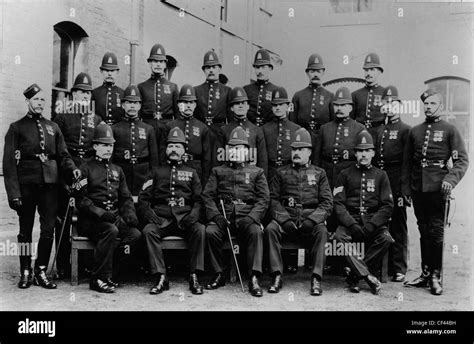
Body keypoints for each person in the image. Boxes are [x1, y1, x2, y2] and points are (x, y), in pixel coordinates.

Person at [3, 84, 79, 289]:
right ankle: (25, 271)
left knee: (48, 230)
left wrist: (72, 170)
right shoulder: (16, 128)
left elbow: (63, 155)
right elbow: (9, 164)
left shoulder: (53, 127)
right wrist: (13, 193)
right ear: (27, 102)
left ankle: (41, 270)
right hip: (27, 185)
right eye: (36, 100)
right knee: (25, 231)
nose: (40, 103)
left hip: (50, 186)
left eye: (43, 100)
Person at [402, 89, 468, 295]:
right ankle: (425, 272)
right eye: (426, 104)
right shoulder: (415, 131)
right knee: (423, 230)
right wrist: (406, 189)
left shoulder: (450, 130)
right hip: (418, 188)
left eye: (432, 104)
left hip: (439, 188)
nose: (428, 107)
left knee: (436, 232)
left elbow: (462, 160)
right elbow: (407, 164)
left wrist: (450, 179)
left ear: (441, 106)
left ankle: (436, 276)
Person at [137, 127, 206, 295]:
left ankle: (194, 275)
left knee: (200, 230)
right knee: (148, 231)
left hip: (185, 219)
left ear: (184, 150)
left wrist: (194, 215)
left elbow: (199, 199)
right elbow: (143, 198)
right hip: (162, 219)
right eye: (171, 146)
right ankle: (161, 276)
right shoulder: (156, 171)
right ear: (166, 149)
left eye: (178, 146)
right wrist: (149, 215)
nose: (174, 149)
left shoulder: (191, 173)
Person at [264, 128, 333, 295]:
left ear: (309, 151)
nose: (296, 153)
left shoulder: (319, 173)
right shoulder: (281, 172)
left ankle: (316, 277)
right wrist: (284, 220)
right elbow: (272, 200)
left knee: (322, 231)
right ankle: (276, 275)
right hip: (287, 219)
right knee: (270, 229)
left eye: (301, 149)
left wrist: (313, 219)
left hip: (310, 220)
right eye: (294, 149)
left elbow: (327, 203)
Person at [203, 126, 270, 297]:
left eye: (239, 147)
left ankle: (254, 276)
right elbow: (207, 196)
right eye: (231, 147)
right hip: (224, 216)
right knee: (210, 232)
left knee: (256, 232)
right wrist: (216, 216)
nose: (235, 151)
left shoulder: (257, 172)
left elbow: (263, 199)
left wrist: (252, 217)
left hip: (246, 216)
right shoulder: (218, 171)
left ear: (247, 151)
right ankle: (219, 273)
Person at [75, 123, 141, 293]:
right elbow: (81, 200)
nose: (108, 149)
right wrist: (100, 213)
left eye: (110, 145)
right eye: (104, 145)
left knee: (135, 235)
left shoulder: (117, 170)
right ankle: (97, 278)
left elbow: (125, 198)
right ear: (95, 146)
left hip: (114, 217)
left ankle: (111, 274)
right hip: (91, 220)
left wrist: (130, 215)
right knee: (110, 231)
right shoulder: (85, 169)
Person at [53, 72, 102, 278]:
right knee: (62, 219)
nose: (84, 96)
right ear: (73, 94)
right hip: (66, 171)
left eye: (87, 92)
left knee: (85, 216)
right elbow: (58, 149)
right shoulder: (62, 116)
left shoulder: (96, 118)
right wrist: (66, 173)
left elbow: (97, 149)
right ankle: (63, 264)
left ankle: (84, 264)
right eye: (80, 92)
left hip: (87, 172)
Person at [333, 130, 394, 295]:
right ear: (355, 153)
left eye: (367, 150)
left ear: (373, 153)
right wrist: (352, 224)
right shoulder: (344, 174)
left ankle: (354, 276)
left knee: (386, 239)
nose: (364, 154)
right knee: (339, 237)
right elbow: (338, 203)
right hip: (350, 221)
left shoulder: (381, 175)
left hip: (372, 222)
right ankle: (367, 276)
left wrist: (372, 224)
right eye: (360, 151)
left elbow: (387, 206)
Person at [374, 86, 411, 282]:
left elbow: (407, 162)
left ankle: (399, 267)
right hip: (381, 178)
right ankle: (382, 264)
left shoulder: (406, 130)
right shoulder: (378, 129)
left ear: (399, 105)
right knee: (380, 220)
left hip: (397, 179)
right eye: (385, 103)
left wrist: (404, 189)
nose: (388, 107)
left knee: (398, 222)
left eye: (392, 103)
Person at [112, 84, 159, 196]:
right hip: (122, 172)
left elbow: (154, 158)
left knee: (142, 202)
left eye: (135, 103)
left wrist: (151, 177)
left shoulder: (148, 129)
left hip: (143, 173)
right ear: (123, 105)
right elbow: (111, 158)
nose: (132, 106)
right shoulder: (115, 128)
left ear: (139, 106)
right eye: (129, 102)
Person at [162, 84, 211, 185]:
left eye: (191, 102)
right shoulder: (170, 126)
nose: (188, 105)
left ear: (195, 105)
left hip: (196, 168)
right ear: (179, 104)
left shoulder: (203, 127)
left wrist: (205, 179)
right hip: (174, 167)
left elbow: (206, 157)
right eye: (185, 102)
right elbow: (162, 153)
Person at [138, 43, 179, 161]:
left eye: (161, 62)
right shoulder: (142, 87)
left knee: (165, 157)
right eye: (155, 61)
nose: (158, 64)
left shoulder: (173, 87)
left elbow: (177, 115)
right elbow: (138, 114)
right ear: (150, 63)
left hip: (166, 127)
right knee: (148, 157)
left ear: (165, 64)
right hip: (147, 126)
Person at [216, 87, 268, 173]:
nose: (240, 106)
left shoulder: (256, 130)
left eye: (243, 103)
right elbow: (218, 160)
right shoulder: (224, 130)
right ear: (232, 108)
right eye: (237, 103)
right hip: (229, 176)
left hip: (251, 177)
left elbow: (262, 161)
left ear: (248, 106)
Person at [194, 51, 231, 167]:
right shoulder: (196, 90)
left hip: (219, 134)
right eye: (208, 67)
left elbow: (230, 120)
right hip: (201, 133)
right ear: (203, 70)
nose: (211, 70)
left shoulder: (227, 91)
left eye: (214, 67)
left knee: (217, 164)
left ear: (219, 69)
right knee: (201, 163)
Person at [290, 53, 334, 147]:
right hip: (302, 139)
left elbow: (333, 123)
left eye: (318, 71)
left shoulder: (330, 96)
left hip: (323, 140)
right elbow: (292, 122)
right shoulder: (298, 96)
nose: (315, 74)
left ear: (323, 72)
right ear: (307, 73)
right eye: (312, 71)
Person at [262, 87, 301, 182]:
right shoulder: (264, 129)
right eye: (275, 105)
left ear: (287, 106)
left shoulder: (296, 129)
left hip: (289, 173)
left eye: (281, 104)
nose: (278, 108)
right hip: (270, 173)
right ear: (271, 107)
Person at [351, 53, 386, 140]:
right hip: (359, 134)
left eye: (372, 69)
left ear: (379, 72)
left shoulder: (384, 93)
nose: (368, 73)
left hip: (379, 135)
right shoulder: (355, 95)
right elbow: (351, 121)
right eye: (366, 70)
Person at [243, 49, 279, 126]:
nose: (260, 71)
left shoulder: (276, 90)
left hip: (268, 132)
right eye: (257, 67)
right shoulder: (246, 90)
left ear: (270, 68)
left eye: (263, 67)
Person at [92, 52, 125, 125]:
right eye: (106, 70)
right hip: (100, 130)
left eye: (112, 71)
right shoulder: (94, 93)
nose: (109, 73)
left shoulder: (123, 93)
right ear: (101, 71)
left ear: (117, 72)